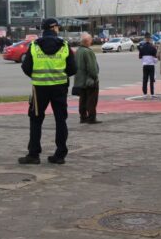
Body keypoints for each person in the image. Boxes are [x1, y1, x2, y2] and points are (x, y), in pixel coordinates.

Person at [19, 18, 76, 165]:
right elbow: (73, 69)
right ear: (53, 28)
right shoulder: (64, 45)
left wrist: (37, 76)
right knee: (60, 120)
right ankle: (60, 154)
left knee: (35, 120)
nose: (58, 29)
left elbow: (26, 67)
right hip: (60, 88)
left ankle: (33, 154)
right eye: (57, 26)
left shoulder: (34, 46)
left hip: (39, 89)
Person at [74, 33, 100, 124]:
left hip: (80, 80)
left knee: (82, 99)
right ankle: (91, 118)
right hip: (89, 81)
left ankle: (83, 117)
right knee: (91, 100)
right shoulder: (88, 51)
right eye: (91, 39)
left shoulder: (78, 51)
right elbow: (92, 68)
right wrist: (95, 77)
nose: (91, 41)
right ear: (87, 41)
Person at [139, 32, 158, 99]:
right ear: (150, 39)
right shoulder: (153, 47)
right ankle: (152, 93)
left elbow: (140, 57)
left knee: (145, 79)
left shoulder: (142, 47)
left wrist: (144, 61)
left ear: (144, 38)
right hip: (151, 65)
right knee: (151, 80)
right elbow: (155, 58)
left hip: (145, 65)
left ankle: (145, 93)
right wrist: (154, 62)